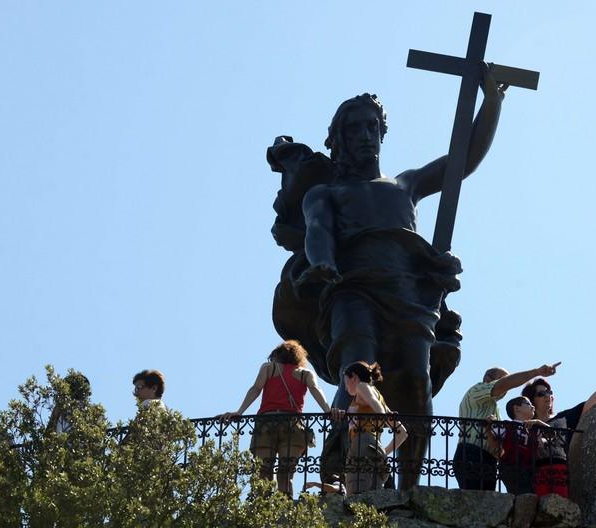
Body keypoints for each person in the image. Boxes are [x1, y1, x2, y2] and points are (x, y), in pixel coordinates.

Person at [268, 64, 509, 489]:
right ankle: (337, 472)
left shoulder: (405, 185)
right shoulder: (325, 193)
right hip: (351, 290)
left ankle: (410, 487)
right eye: (355, 129)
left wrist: (492, 102)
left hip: (409, 296)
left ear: (382, 133)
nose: (364, 135)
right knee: (356, 367)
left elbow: (462, 161)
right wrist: (322, 262)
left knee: (417, 385)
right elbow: (319, 231)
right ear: (339, 140)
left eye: (371, 127)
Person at [218, 340, 332, 497]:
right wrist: (328, 411)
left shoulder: (269, 368)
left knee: (264, 471)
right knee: (286, 473)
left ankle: (262, 507)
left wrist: (240, 411)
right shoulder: (305, 373)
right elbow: (316, 390)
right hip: (294, 426)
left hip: (266, 424)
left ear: (277, 356)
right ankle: (285, 509)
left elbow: (256, 389)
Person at [522, 367, 596, 498]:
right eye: (541, 394)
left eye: (549, 392)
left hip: (560, 474)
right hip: (535, 475)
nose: (548, 396)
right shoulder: (526, 425)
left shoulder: (564, 417)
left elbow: (591, 402)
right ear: (532, 400)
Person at [453, 363, 559, 490]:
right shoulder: (476, 391)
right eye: (505, 380)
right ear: (488, 378)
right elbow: (503, 384)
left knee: (485, 504)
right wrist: (536, 372)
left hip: (488, 460)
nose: (508, 387)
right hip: (471, 454)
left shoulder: (494, 410)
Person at [335, 361, 407, 495]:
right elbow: (402, 433)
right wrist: (382, 452)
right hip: (373, 446)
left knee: (357, 498)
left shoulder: (362, 386)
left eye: (345, 382)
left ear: (354, 377)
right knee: (370, 498)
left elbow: (375, 406)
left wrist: (382, 414)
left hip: (361, 446)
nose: (345, 388)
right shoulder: (380, 397)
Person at [485, 396, 549, 495]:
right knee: (518, 493)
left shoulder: (534, 429)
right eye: (528, 404)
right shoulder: (506, 425)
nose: (533, 407)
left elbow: (553, 435)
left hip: (529, 470)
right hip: (511, 467)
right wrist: (489, 425)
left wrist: (538, 422)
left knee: (528, 494)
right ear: (516, 408)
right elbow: (494, 444)